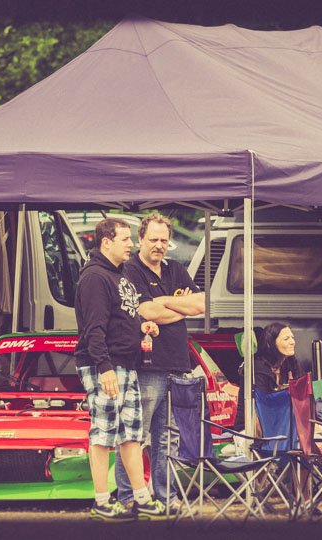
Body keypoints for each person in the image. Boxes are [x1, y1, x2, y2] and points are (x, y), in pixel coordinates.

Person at [74, 217, 163, 521]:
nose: (132, 245)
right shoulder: (95, 277)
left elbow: (123, 314)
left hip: (126, 365)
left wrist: (142, 326)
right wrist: (104, 367)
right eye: (125, 239)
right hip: (106, 366)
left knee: (131, 435)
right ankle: (101, 501)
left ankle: (141, 498)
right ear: (106, 242)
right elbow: (93, 329)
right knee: (103, 434)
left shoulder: (119, 273)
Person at [115, 212, 205, 512]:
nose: (158, 245)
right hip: (146, 366)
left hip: (178, 365)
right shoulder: (130, 270)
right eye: (152, 239)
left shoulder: (176, 269)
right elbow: (145, 311)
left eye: (164, 240)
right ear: (141, 239)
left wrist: (164, 302)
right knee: (135, 435)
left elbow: (200, 304)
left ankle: (166, 498)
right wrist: (176, 307)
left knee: (167, 437)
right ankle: (128, 497)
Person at [235, 322, 300, 430]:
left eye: (292, 337)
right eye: (286, 338)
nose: (292, 342)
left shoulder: (289, 365)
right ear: (270, 343)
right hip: (251, 430)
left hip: (280, 426)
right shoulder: (257, 369)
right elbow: (262, 408)